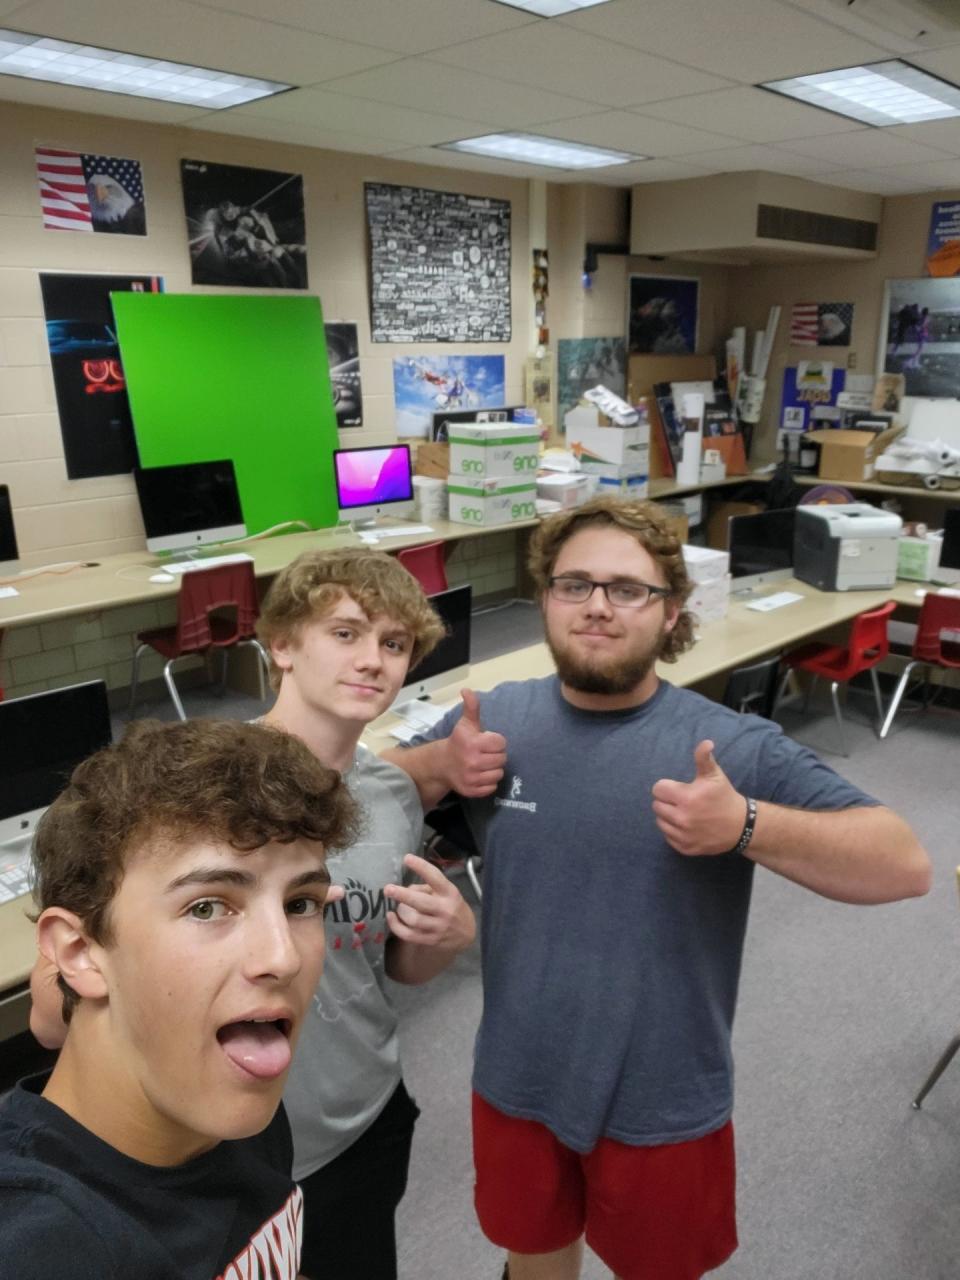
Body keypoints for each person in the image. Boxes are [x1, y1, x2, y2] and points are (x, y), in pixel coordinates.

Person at [385, 496, 932, 1280]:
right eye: (574, 584)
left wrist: (745, 824)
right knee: (533, 1254)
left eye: (628, 589)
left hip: (662, 1093)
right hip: (517, 1073)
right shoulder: (493, 720)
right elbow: (362, 787)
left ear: (671, 611)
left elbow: (903, 863)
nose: (597, 606)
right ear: (546, 598)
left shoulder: (728, 746)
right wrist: (435, 765)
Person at [5, 717, 358, 1280]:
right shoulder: (41, 1248)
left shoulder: (239, 1106)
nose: (284, 956)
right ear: (79, 951)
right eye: (207, 907)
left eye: (300, 904)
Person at [256, 547, 477, 1280]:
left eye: (394, 643)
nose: (373, 660)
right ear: (283, 645)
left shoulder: (393, 796)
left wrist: (447, 938)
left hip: (363, 1118)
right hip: (236, 1142)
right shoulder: (202, 789)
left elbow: (388, 965)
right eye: (345, 633)